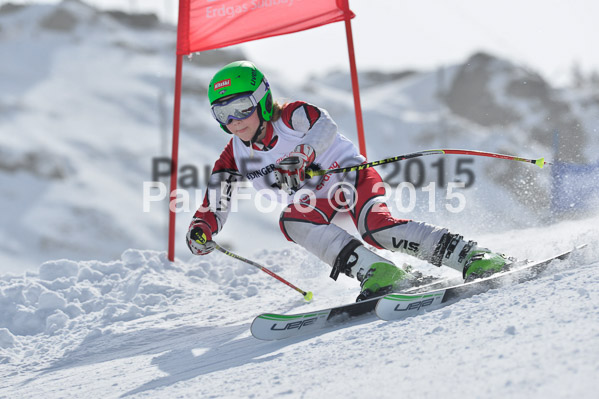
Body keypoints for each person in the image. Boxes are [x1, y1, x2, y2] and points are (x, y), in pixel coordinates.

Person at [186, 60, 509, 301]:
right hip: (315, 200)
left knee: (377, 227)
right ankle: (380, 272)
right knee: (292, 221)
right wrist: (203, 227)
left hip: (351, 179)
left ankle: (472, 255)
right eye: (222, 114)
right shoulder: (235, 155)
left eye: (241, 108)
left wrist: (302, 154)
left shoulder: (292, 116)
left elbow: (324, 124)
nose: (234, 121)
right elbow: (218, 197)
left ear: (262, 100)